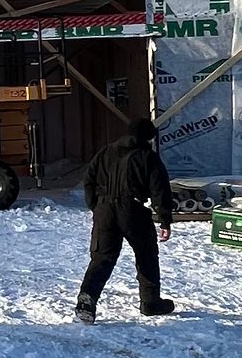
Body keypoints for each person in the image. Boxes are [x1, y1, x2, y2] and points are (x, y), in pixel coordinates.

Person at [75, 117, 176, 322]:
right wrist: (164, 219)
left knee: (102, 258)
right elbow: (160, 189)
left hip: (104, 210)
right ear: (149, 137)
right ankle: (150, 302)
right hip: (133, 209)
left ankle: (86, 303)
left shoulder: (105, 152)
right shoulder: (148, 156)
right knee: (146, 254)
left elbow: (89, 179)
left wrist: (95, 205)